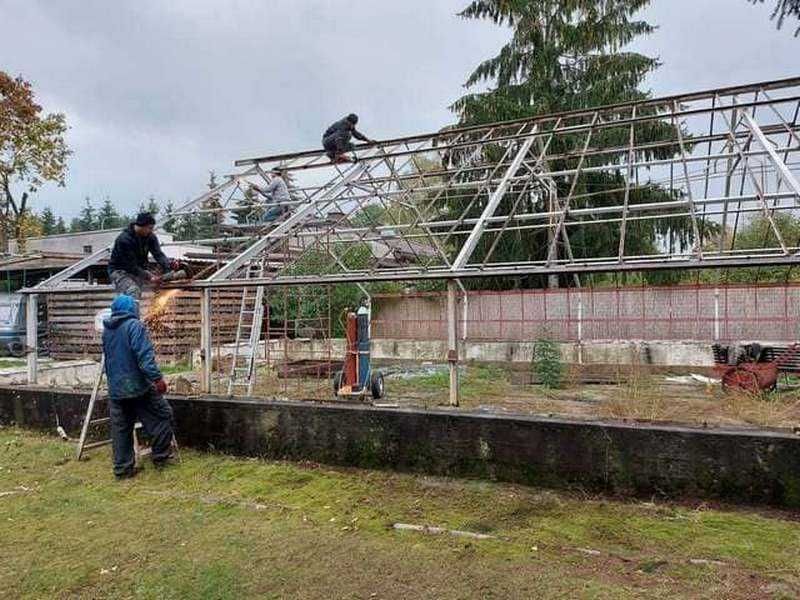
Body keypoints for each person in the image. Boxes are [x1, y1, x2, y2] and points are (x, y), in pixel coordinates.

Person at [102, 294, 174, 479]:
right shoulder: (135, 326)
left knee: (121, 429)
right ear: (130, 309)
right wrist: (158, 380)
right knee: (162, 414)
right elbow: (145, 358)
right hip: (138, 385)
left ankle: (123, 470)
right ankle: (160, 457)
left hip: (116, 389)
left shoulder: (107, 330)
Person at [108, 212, 179, 299]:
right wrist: (149, 277)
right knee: (133, 290)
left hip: (139, 269)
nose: (151, 231)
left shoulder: (150, 237)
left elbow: (158, 254)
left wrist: (168, 265)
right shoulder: (123, 240)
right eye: (150, 228)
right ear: (142, 225)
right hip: (120, 271)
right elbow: (131, 266)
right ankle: (130, 312)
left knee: (158, 283)